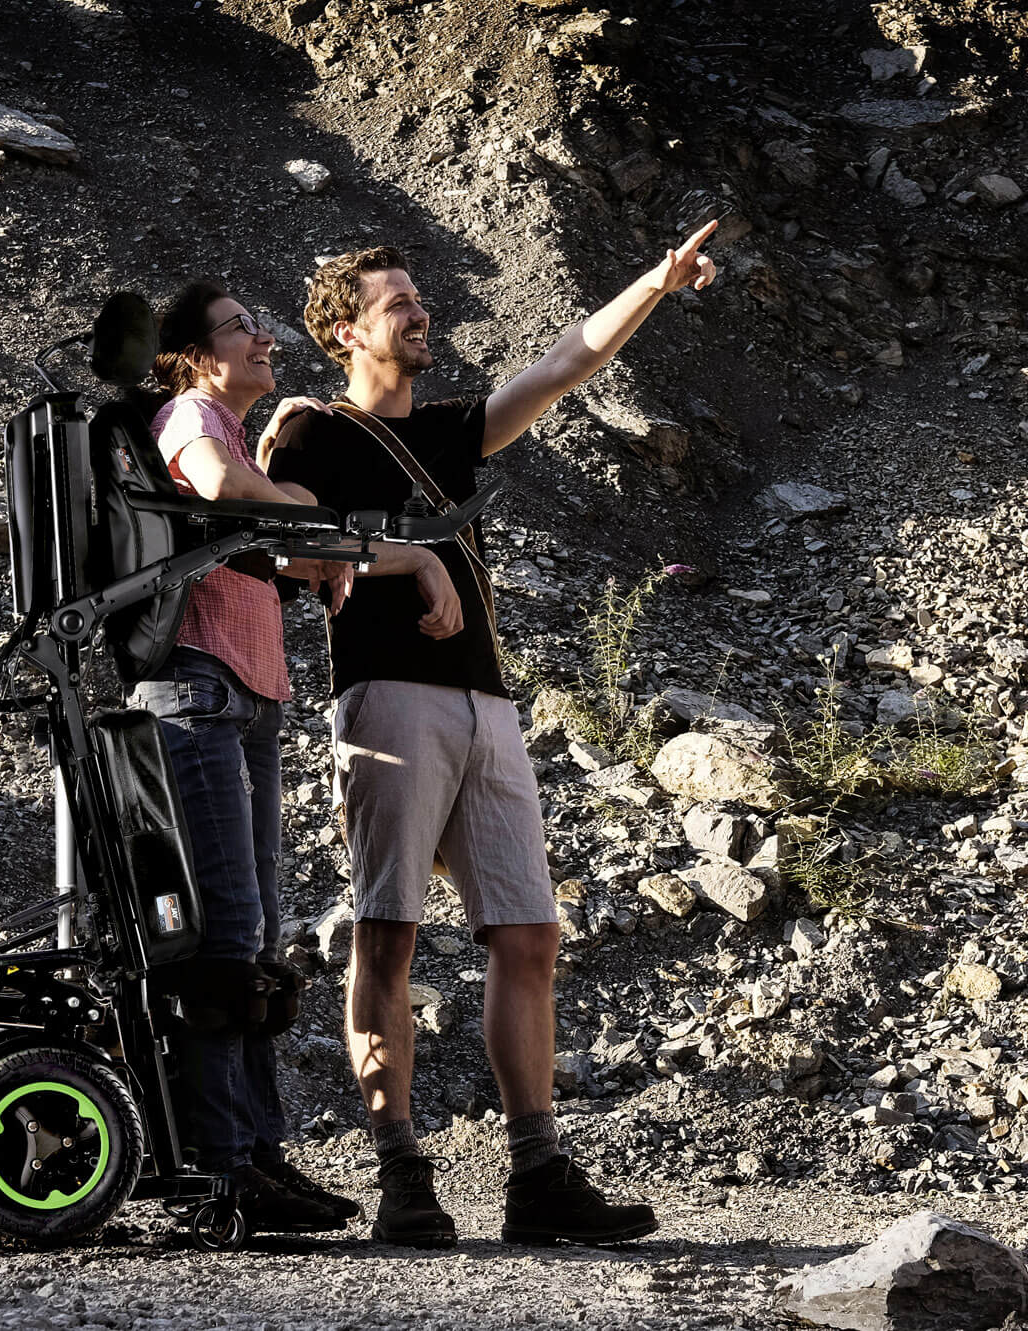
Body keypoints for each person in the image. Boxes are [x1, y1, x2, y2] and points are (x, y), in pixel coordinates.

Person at [264, 221, 720, 1246]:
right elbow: (278, 537)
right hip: (386, 694)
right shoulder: (313, 434)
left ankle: (537, 1173)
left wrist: (653, 281)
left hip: (488, 702)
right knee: (387, 931)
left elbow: (565, 362)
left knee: (527, 934)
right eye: (397, 304)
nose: (421, 313)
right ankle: (402, 1176)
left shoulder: (451, 427)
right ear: (345, 331)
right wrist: (385, 546)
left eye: (418, 298)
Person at [120, 279, 358, 1233]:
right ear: (194, 355)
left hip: (245, 700)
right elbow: (221, 487)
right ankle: (218, 1168)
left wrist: (305, 531)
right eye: (238, 328)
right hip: (198, 693)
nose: (262, 337)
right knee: (225, 933)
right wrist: (299, 499)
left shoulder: (228, 427)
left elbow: (270, 539)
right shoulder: (190, 415)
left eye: (257, 324)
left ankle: (259, 1149)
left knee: (254, 937)